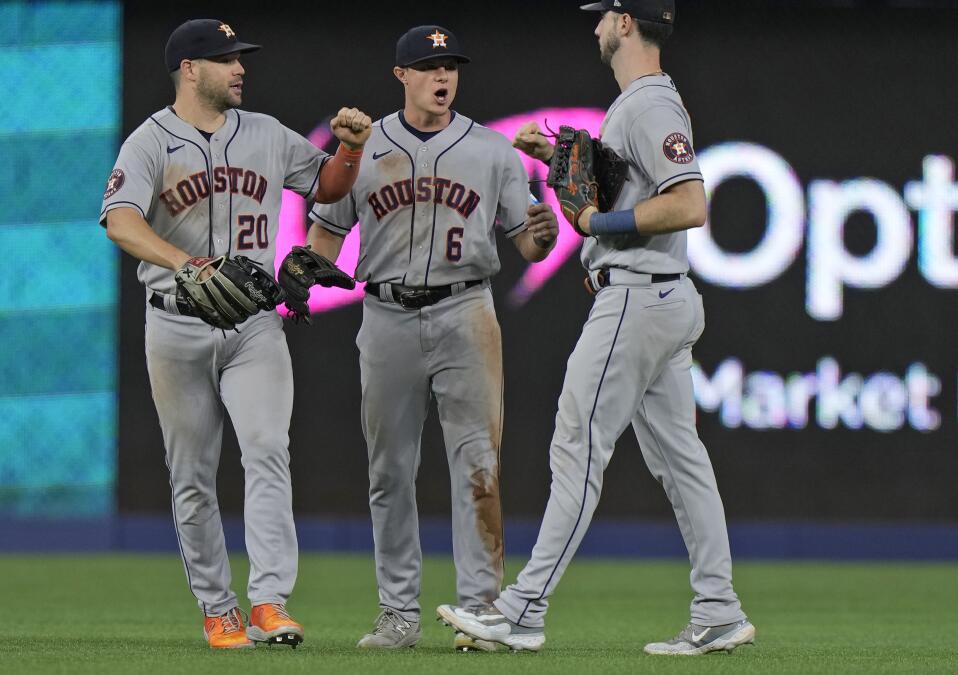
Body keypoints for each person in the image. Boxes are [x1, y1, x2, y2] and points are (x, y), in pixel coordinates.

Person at [437, 1, 755, 656]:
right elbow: (624, 185)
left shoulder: (648, 105)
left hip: (636, 297)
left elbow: (690, 202)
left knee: (577, 446)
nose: (595, 26)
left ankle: (522, 608)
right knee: (681, 461)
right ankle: (719, 607)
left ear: (628, 23)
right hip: (660, 296)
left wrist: (593, 226)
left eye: (604, 15)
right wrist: (559, 153)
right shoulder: (643, 103)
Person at [99, 18, 371, 649]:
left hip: (252, 323)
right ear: (190, 70)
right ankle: (217, 608)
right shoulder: (149, 142)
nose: (240, 68)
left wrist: (350, 148)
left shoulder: (266, 134)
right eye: (226, 59)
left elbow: (327, 184)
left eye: (240, 57)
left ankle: (270, 601)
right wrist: (185, 262)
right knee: (192, 472)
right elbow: (119, 221)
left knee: (267, 449)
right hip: (175, 321)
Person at [306, 24, 559, 652]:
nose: (442, 77)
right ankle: (398, 614)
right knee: (389, 472)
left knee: (478, 466)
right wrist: (306, 271)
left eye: (450, 66)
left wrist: (542, 236)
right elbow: (325, 237)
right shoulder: (365, 146)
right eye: (428, 66)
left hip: (465, 311)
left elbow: (525, 240)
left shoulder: (493, 150)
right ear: (402, 75)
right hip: (386, 314)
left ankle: (481, 612)